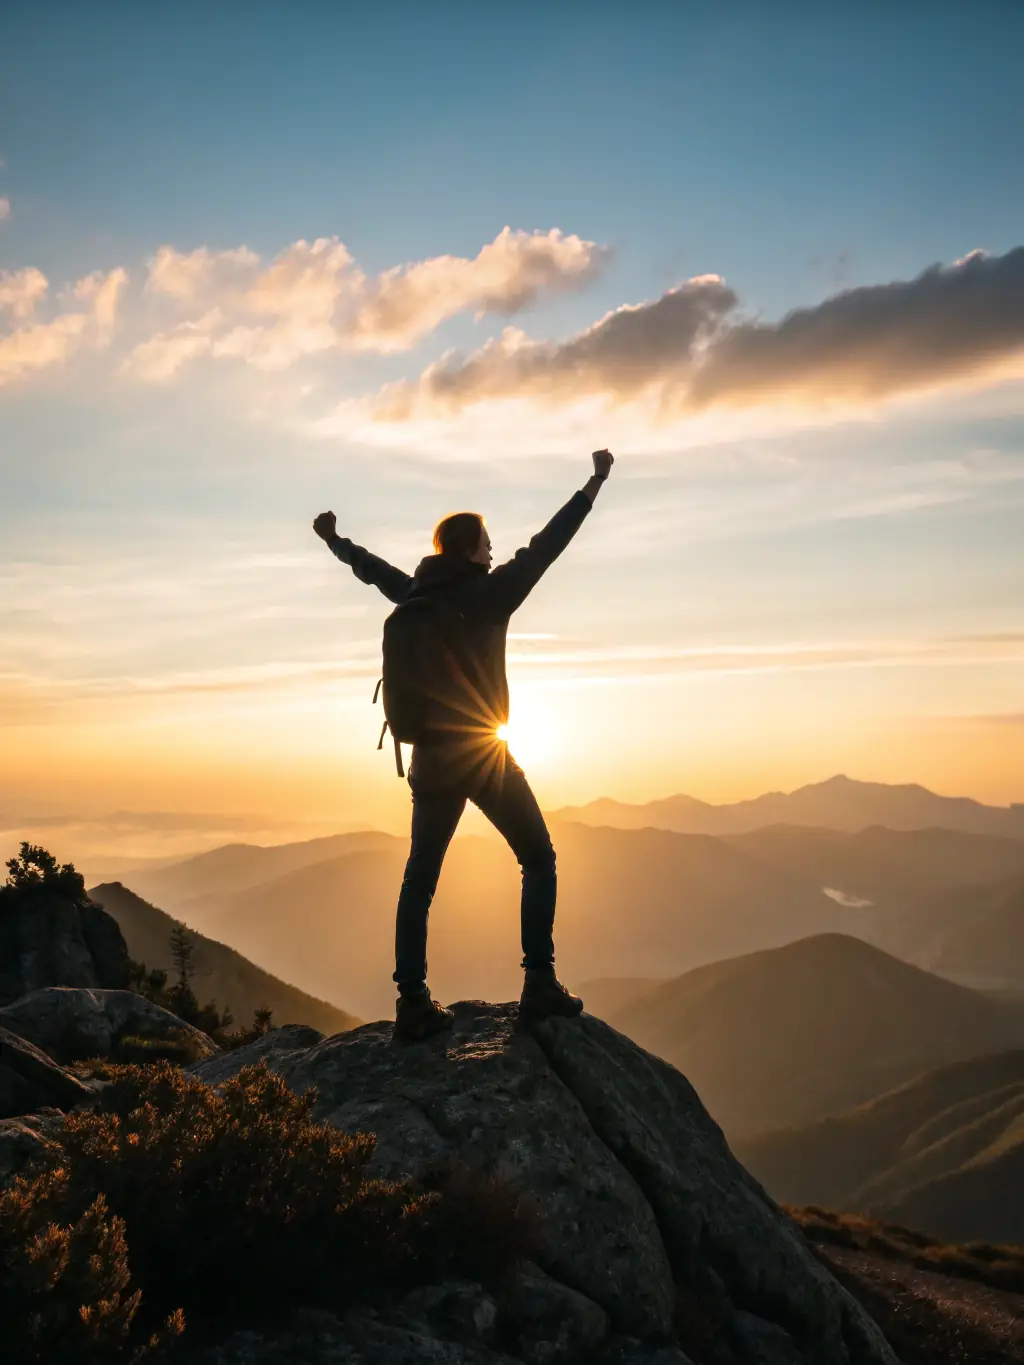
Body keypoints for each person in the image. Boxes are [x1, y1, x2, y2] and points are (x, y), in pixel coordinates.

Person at [313, 448, 614, 1041]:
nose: (495, 551)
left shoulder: (415, 595)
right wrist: (594, 483)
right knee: (538, 857)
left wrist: (334, 540)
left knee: (419, 880)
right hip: (483, 757)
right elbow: (548, 544)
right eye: (487, 543)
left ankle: (411, 1001)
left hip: (428, 758)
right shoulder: (490, 594)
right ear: (471, 549)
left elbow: (373, 570)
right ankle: (539, 984)